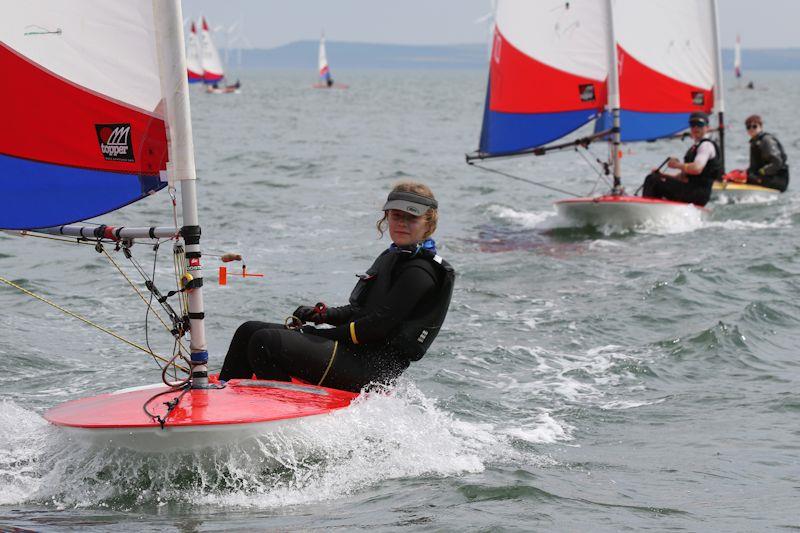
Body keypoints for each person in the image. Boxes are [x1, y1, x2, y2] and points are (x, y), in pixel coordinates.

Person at [218, 182, 455, 392]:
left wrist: (315, 333)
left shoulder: (420, 272)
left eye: (411, 218)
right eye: (395, 215)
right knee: (248, 330)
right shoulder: (391, 256)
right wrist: (324, 315)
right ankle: (220, 396)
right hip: (353, 352)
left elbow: (374, 328)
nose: (401, 224)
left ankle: (283, 407)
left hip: (370, 371)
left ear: (428, 223)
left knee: (266, 342)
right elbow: (360, 310)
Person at [641, 112, 722, 206]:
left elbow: (697, 168)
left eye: (699, 125)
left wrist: (677, 165)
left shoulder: (706, 145)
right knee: (655, 177)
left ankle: (647, 207)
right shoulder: (695, 147)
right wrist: (663, 175)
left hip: (697, 194)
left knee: (652, 180)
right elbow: (682, 177)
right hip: (692, 191)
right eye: (693, 125)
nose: (696, 128)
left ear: (707, 128)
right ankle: (656, 207)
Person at [744, 115, 789, 192]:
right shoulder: (754, 142)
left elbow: (777, 163)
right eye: (748, 127)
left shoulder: (766, 140)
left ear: (760, 127)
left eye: (754, 126)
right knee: (743, 176)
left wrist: (762, 172)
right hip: (767, 177)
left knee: (749, 178)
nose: (751, 129)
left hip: (778, 180)